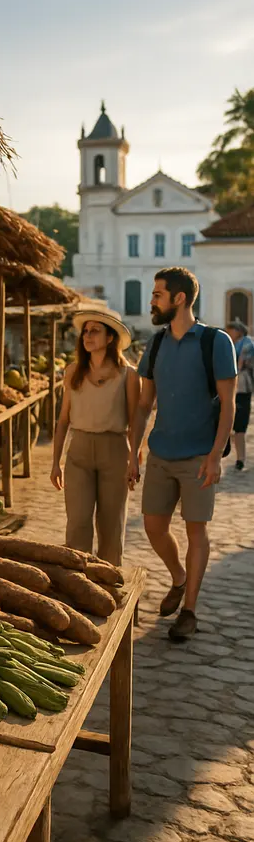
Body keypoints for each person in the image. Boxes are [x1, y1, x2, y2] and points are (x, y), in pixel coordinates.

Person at [128, 268, 237, 641]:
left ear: (179, 299)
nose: (152, 301)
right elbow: (144, 404)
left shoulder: (215, 342)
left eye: (158, 294)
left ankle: (189, 610)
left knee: (196, 531)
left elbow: (228, 403)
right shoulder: (155, 344)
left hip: (197, 457)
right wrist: (134, 450)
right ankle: (178, 577)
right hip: (160, 452)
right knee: (153, 527)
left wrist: (214, 455)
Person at [50, 309, 139, 566]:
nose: (87, 336)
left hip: (115, 450)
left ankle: (109, 581)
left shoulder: (128, 375)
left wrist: (134, 459)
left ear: (110, 338)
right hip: (79, 451)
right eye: (85, 331)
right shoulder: (72, 371)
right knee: (77, 522)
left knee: (111, 524)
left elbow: (134, 422)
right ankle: (78, 580)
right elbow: (63, 419)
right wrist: (56, 462)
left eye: (95, 331)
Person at [226, 319, 254, 470]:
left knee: (240, 426)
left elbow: (240, 364)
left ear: (239, 331)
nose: (229, 333)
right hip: (232, 387)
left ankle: (240, 459)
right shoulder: (233, 343)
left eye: (231, 330)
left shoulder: (247, 344)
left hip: (242, 387)